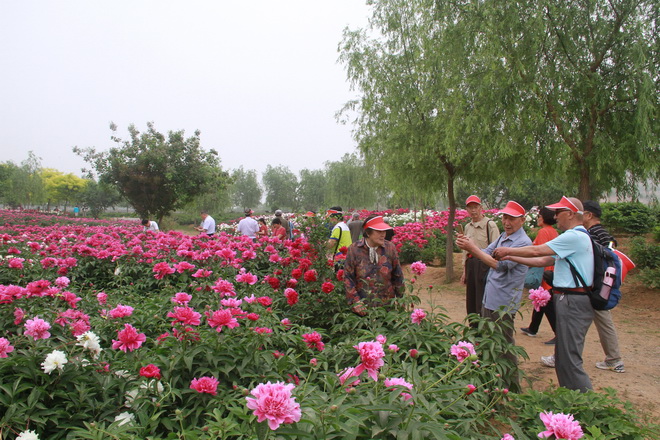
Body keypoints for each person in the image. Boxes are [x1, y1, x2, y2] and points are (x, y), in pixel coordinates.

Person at [493, 196, 595, 392]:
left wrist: (507, 250)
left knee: (570, 358)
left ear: (570, 214)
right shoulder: (575, 237)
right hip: (568, 299)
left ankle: (584, 401)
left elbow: (538, 251)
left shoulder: (574, 236)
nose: (555, 217)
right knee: (563, 356)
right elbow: (542, 260)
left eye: (558, 213)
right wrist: (511, 256)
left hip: (573, 300)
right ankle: (571, 397)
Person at [456, 200, 531, 392]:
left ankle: (512, 387)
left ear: (522, 220)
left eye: (512, 218)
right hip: (490, 297)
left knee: (504, 344)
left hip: (504, 302)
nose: (506, 222)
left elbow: (499, 265)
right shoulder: (504, 237)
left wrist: (472, 249)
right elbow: (486, 253)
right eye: (505, 217)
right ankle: (494, 383)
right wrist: (468, 246)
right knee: (490, 341)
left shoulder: (522, 243)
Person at [583, 200, 625, 373]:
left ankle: (614, 359)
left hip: (596, 285)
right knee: (584, 322)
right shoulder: (604, 233)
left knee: (600, 321)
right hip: (602, 284)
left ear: (589, 215)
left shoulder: (593, 234)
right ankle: (614, 359)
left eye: (581, 213)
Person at [344, 215, 404, 316]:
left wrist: (400, 299)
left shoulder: (390, 248)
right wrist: (356, 302)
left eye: (384, 231)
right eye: (379, 231)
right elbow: (348, 278)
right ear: (368, 232)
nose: (383, 234)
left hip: (386, 307)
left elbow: (398, 275)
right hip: (363, 307)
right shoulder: (354, 249)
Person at [520, 207, 559, 344]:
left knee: (546, 302)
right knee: (540, 300)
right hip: (551, 270)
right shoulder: (554, 231)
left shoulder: (543, 231)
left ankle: (559, 333)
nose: (538, 218)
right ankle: (533, 328)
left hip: (544, 271)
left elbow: (539, 252)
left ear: (544, 218)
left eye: (540, 216)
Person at [461, 195, 500, 323]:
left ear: (481, 208)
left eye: (475, 207)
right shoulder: (467, 227)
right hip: (471, 264)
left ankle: (485, 325)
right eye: (470, 208)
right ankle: (473, 325)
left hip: (484, 264)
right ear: (467, 210)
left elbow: (497, 250)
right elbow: (465, 250)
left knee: (482, 297)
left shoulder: (490, 225)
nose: (473, 210)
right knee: (471, 297)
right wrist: (464, 270)